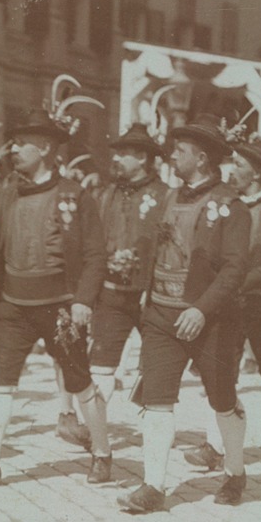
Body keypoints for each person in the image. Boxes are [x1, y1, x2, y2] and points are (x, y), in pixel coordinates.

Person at [0, 85, 110, 490]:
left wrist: (83, 301)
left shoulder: (75, 196)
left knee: (79, 381)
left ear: (45, 147)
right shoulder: (7, 193)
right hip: (12, 303)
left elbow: (96, 254)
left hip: (60, 304)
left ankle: (101, 452)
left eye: (22, 144)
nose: (14, 150)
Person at [119, 115, 252, 514]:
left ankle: (235, 470)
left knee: (222, 399)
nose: (171, 157)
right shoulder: (167, 198)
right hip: (160, 314)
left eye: (179, 151)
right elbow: (155, 245)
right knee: (157, 400)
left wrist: (201, 308)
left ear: (203, 157)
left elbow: (234, 269)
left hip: (209, 320)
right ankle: (153, 486)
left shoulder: (232, 207)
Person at [195, 123, 261, 467]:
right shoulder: (224, 204)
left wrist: (235, 281)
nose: (231, 170)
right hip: (229, 306)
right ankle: (215, 445)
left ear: (255, 172)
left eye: (238, 165)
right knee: (222, 370)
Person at [78, 122, 171, 447]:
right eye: (116, 152)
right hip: (111, 296)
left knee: (158, 374)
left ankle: (163, 443)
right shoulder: (105, 194)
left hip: (153, 299)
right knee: (100, 368)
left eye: (125, 154)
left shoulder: (165, 196)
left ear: (143, 158)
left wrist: (149, 274)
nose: (116, 158)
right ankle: (96, 439)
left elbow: (172, 248)